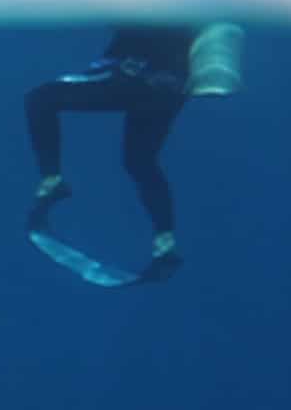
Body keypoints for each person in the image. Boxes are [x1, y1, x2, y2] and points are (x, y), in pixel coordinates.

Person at [23, 25, 195, 279]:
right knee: (140, 160)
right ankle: (165, 241)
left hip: (133, 78)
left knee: (39, 99)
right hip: (172, 87)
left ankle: (52, 181)